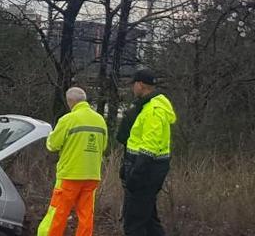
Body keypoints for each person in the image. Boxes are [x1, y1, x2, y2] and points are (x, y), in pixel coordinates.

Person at [37, 87, 108, 236]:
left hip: (70, 175)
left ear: (70, 102)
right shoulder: (100, 120)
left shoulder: (68, 119)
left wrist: (50, 136)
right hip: (92, 176)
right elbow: (104, 146)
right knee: (86, 216)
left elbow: (52, 144)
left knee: (58, 214)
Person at [116, 69, 177, 236]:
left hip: (145, 172)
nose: (132, 89)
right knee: (149, 220)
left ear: (140, 84)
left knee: (133, 224)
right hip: (144, 170)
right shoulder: (146, 106)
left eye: (133, 85)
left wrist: (135, 175)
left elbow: (149, 147)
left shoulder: (154, 110)